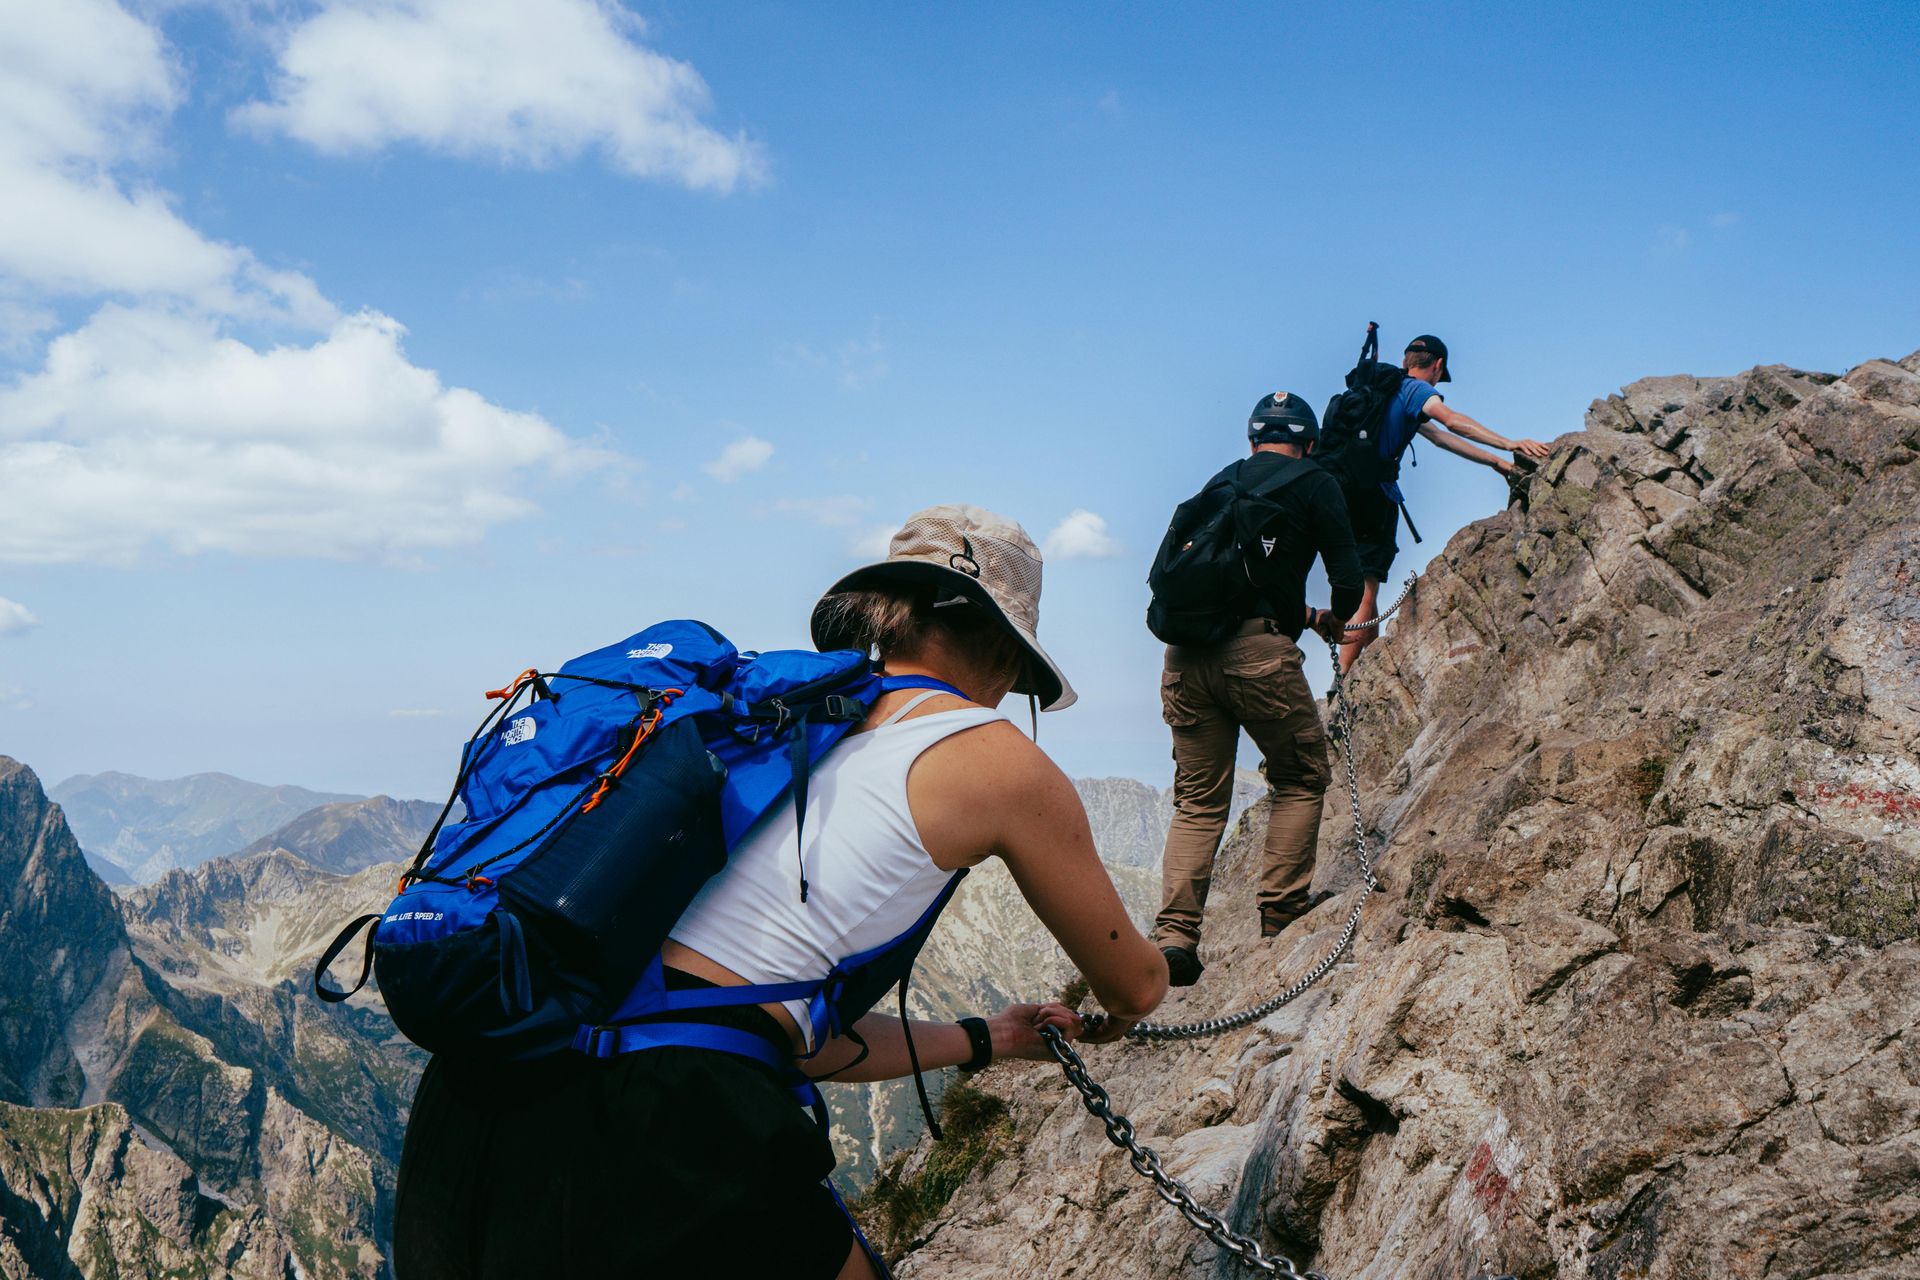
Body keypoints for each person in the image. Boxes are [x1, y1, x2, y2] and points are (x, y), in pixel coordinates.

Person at [393, 504, 1168, 1280]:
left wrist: (989, 1038)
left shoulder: (777, 723)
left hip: (477, 1097)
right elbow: (1134, 985)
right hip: (668, 1122)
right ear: (1004, 647)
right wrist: (1136, 997)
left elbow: (766, 1029)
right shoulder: (997, 760)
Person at [1152, 394, 1362, 987]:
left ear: (1252, 442)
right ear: (1310, 443)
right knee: (1300, 776)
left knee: (1196, 803)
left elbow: (1236, 582)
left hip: (1183, 659)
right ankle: (1282, 909)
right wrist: (1341, 617)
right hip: (1260, 659)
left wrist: (1308, 615)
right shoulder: (1316, 482)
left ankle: (1174, 939)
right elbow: (1347, 573)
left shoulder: (1223, 483)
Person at [1334, 334, 1552, 671]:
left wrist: (1497, 463)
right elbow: (1450, 421)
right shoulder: (1416, 391)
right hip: (1374, 498)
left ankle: (1366, 668)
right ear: (1437, 366)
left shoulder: (1385, 392)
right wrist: (1509, 443)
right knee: (1365, 589)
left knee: (1368, 582)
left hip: (1341, 493)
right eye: (1440, 374)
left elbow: (1439, 438)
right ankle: (1344, 680)